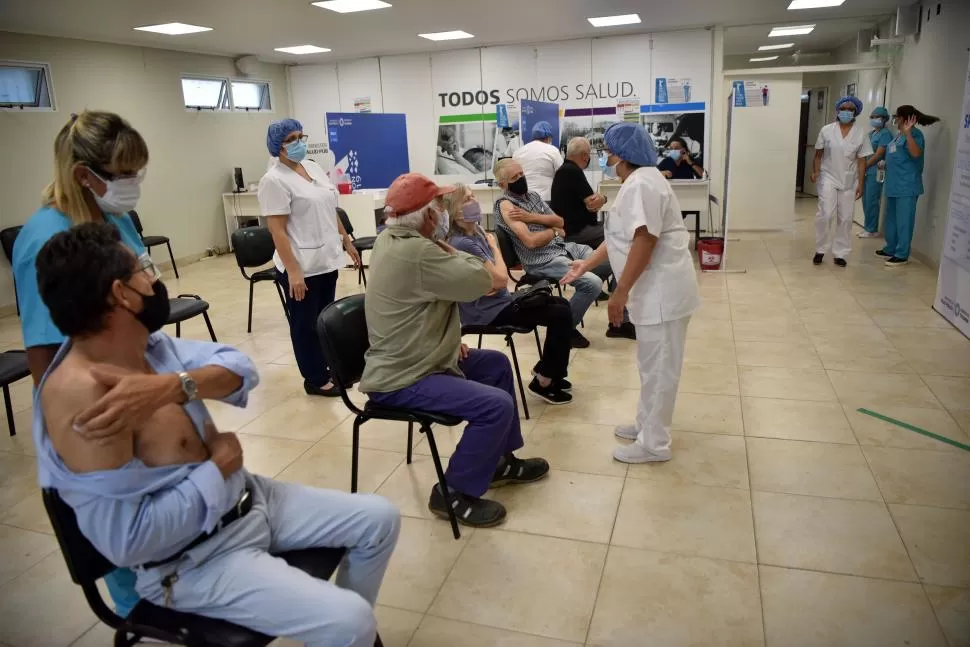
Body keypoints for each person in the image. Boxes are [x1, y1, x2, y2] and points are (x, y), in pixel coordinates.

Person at [33, 223, 399, 647]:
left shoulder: (148, 347)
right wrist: (215, 469)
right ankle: (343, 632)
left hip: (248, 499)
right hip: (194, 560)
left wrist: (174, 385)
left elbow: (241, 367)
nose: (154, 279)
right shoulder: (84, 399)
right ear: (121, 294)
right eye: (143, 270)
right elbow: (128, 543)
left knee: (380, 519)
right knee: (351, 621)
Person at [11, 109, 155, 618]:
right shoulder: (46, 240)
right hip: (91, 403)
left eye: (139, 171)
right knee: (117, 520)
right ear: (83, 175)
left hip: (135, 384)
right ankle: (139, 612)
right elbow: (44, 354)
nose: (134, 184)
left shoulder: (111, 217)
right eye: (124, 175)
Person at [360, 172, 550, 528]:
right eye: (440, 207)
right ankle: (452, 492)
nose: (446, 212)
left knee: (495, 365)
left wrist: (447, 339)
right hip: (403, 377)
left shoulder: (393, 238)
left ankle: (498, 461)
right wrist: (446, 246)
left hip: (422, 355)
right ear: (429, 217)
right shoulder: (417, 251)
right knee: (495, 406)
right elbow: (484, 281)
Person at [562, 123, 700, 464]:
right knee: (651, 364)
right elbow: (620, 238)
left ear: (623, 154)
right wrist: (585, 265)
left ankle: (655, 443)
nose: (605, 155)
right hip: (654, 290)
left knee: (661, 368)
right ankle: (645, 423)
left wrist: (620, 292)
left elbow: (645, 240)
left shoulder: (642, 185)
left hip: (663, 291)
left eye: (609, 150)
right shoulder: (638, 182)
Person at [443, 184, 574, 404]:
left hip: (498, 300)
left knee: (561, 304)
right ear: (455, 210)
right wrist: (495, 250)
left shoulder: (477, 231)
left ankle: (548, 372)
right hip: (486, 312)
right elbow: (502, 279)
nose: (474, 200)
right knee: (558, 314)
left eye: (473, 196)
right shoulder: (463, 242)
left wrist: (495, 276)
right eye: (467, 198)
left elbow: (497, 280)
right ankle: (545, 380)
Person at [259, 118, 361, 397]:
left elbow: (331, 208)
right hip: (300, 266)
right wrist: (293, 272)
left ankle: (327, 366)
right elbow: (277, 231)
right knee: (305, 325)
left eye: (301, 136)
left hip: (326, 259)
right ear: (278, 147)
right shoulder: (274, 180)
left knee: (324, 319)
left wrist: (345, 239)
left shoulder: (313, 168)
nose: (299, 142)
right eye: (292, 139)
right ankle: (314, 378)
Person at [493, 159, 636, 346]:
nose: (521, 179)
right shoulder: (506, 205)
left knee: (618, 259)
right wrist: (552, 230)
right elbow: (531, 241)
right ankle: (564, 330)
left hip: (565, 248)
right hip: (542, 260)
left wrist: (532, 217)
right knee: (592, 283)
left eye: (522, 174)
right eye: (514, 177)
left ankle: (619, 323)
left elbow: (560, 221)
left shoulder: (533, 197)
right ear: (502, 184)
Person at [810, 96, 872, 267]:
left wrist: (861, 183)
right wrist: (815, 171)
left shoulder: (861, 133)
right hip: (828, 175)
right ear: (838, 110)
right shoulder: (827, 130)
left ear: (855, 113)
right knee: (825, 213)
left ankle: (840, 253)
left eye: (850, 109)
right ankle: (820, 249)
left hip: (849, 179)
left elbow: (861, 160)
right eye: (843, 108)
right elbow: (818, 154)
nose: (846, 111)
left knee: (845, 217)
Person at [877, 105, 940, 267]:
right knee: (891, 220)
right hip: (893, 185)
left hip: (907, 185)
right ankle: (890, 247)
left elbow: (915, 153)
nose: (895, 119)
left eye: (897, 116)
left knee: (904, 221)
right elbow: (895, 154)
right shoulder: (897, 136)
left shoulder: (915, 134)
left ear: (904, 118)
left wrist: (908, 134)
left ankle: (902, 254)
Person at [550, 136, 608, 248]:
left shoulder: (564, 170)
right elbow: (593, 204)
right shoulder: (572, 171)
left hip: (569, 229)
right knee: (616, 234)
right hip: (575, 232)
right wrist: (604, 198)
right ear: (585, 156)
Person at [858, 107, 894, 238]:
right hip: (866, 170)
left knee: (872, 200)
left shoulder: (885, 134)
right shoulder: (871, 134)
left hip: (875, 170)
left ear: (884, 119)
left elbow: (879, 153)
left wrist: (866, 165)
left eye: (878, 117)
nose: (874, 119)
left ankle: (871, 229)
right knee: (865, 199)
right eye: (872, 117)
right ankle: (868, 226)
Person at [512, 121, 564, 202]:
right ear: (548, 137)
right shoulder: (552, 150)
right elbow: (562, 174)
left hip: (525, 198)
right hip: (547, 198)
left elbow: (513, 174)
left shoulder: (518, 152)